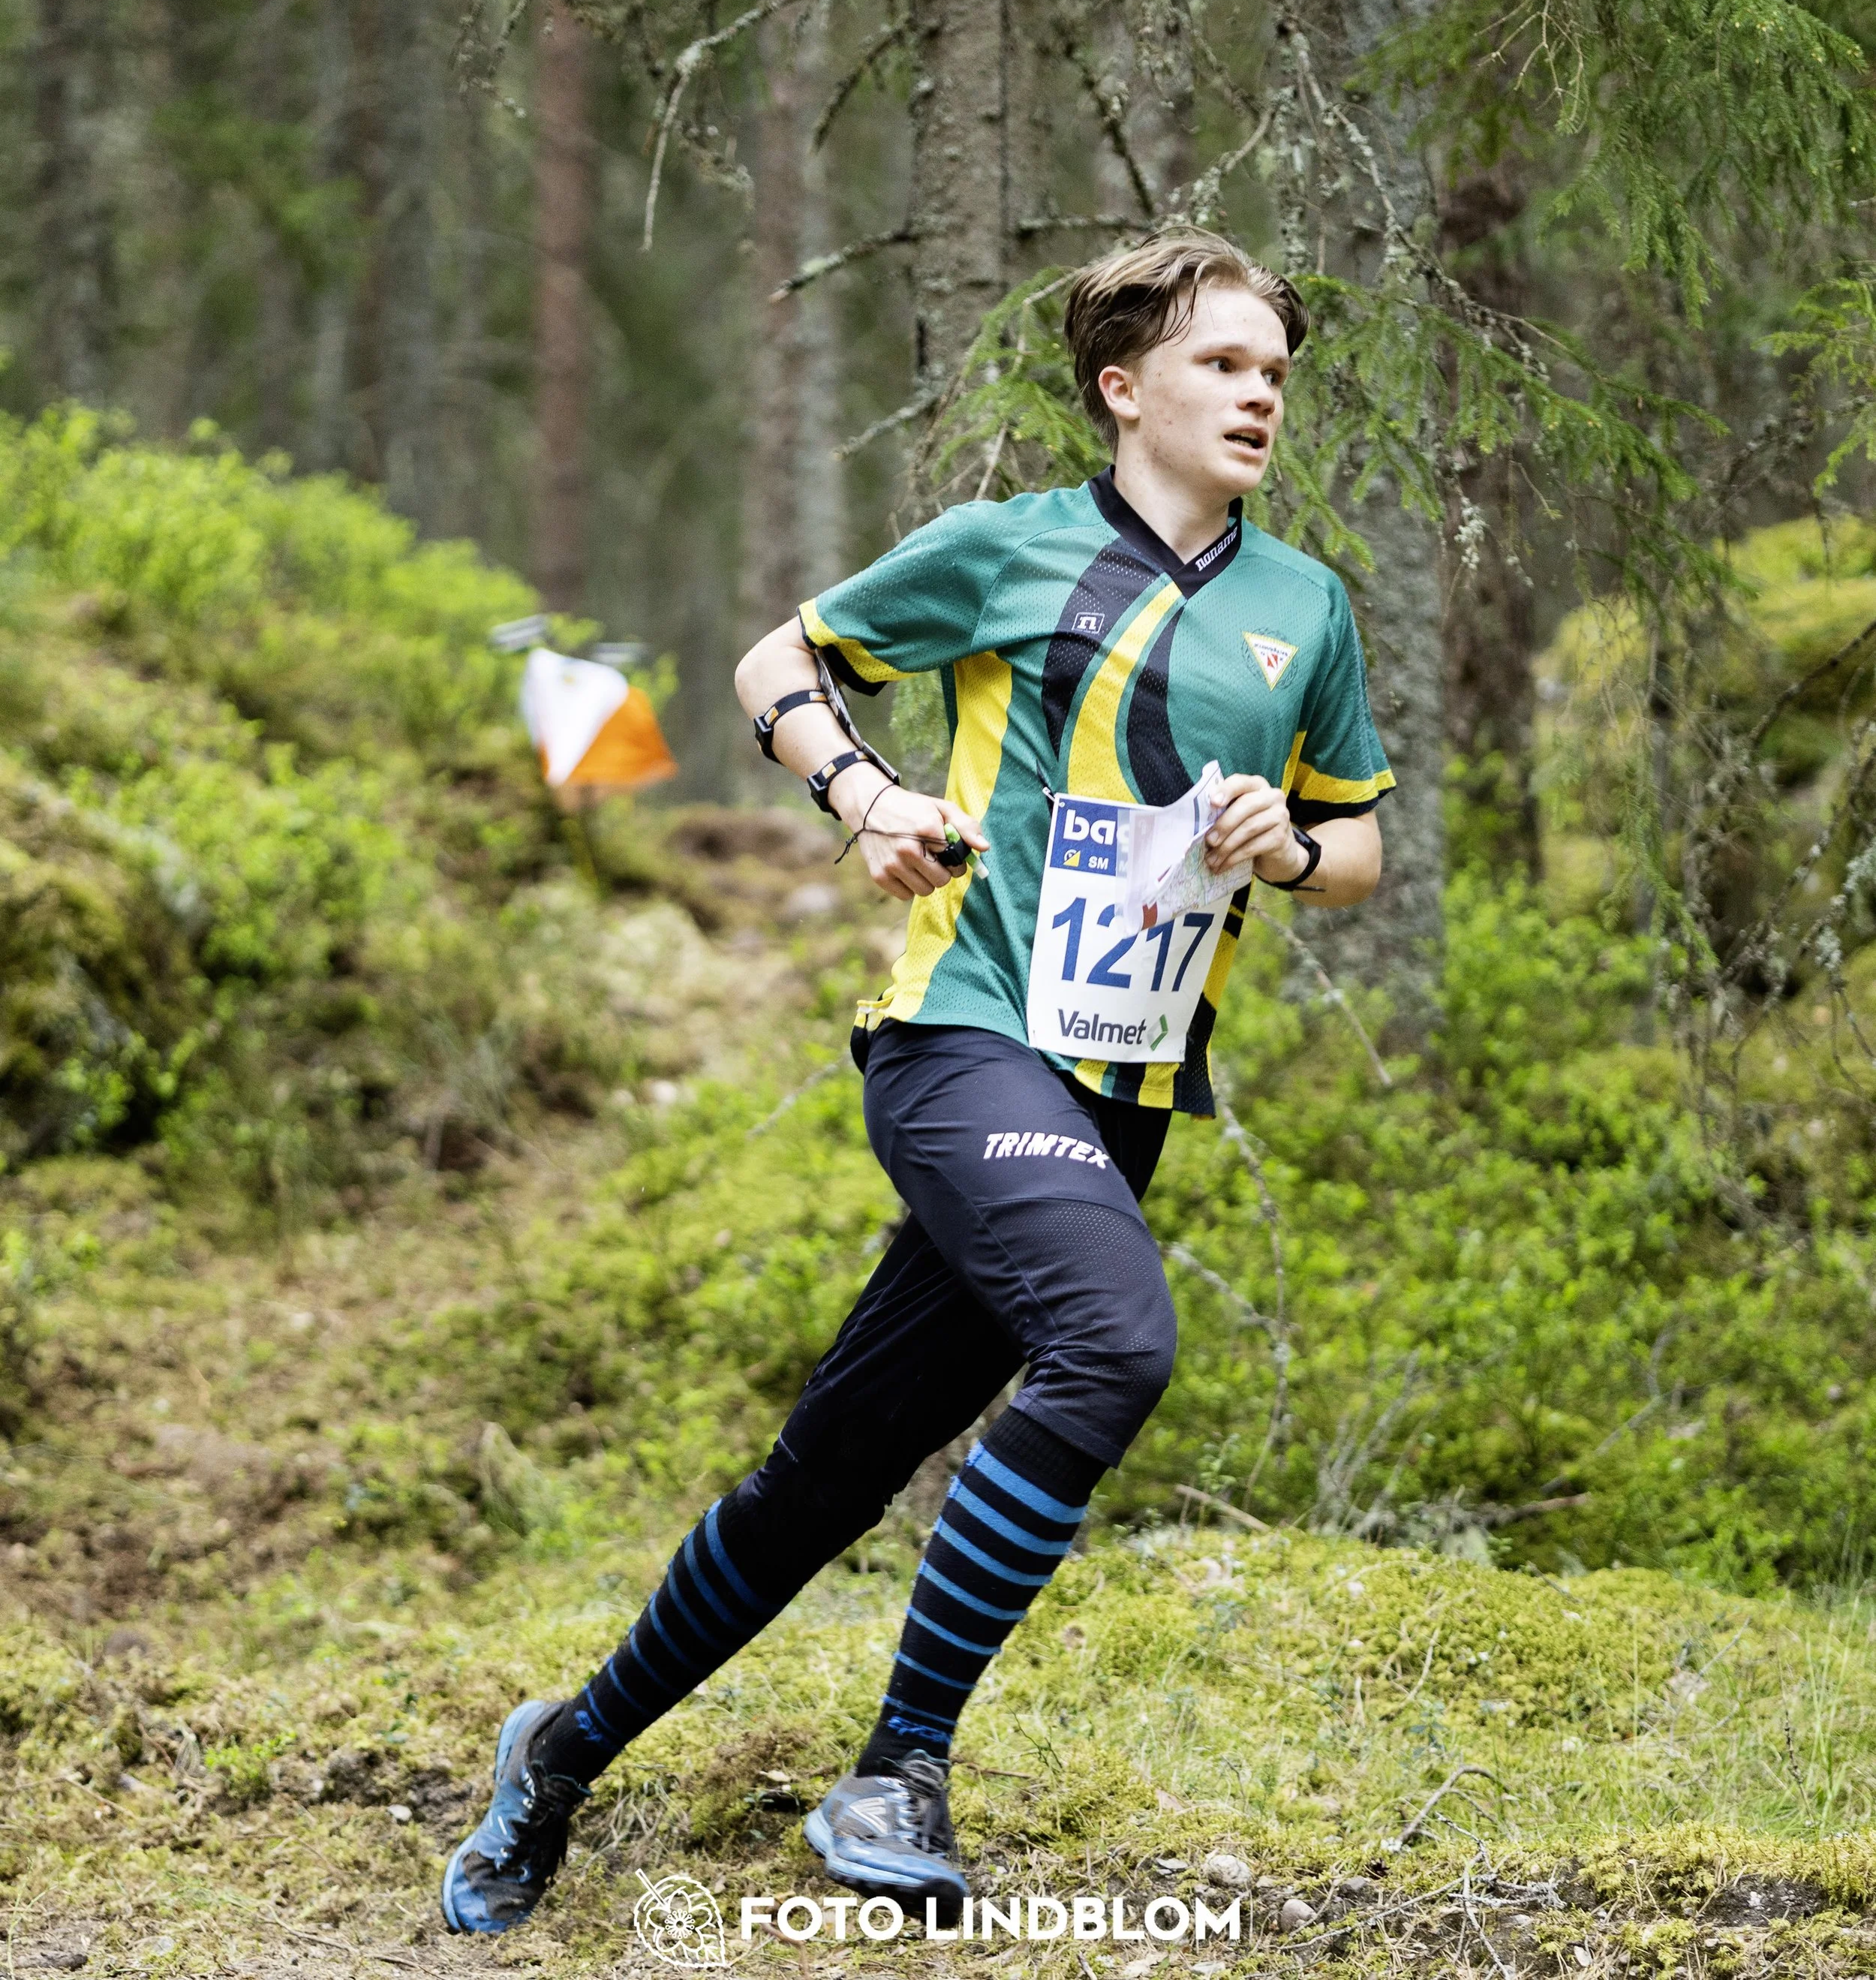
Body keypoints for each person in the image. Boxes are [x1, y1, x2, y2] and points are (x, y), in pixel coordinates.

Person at [440, 228, 1391, 1935]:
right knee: (1114, 1341)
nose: (1258, 394)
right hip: (962, 1038)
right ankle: (899, 1763)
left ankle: (558, 1753)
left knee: (830, 1469)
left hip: (1127, 1091)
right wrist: (868, 799)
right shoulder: (1003, 551)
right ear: (1122, 387)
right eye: (1222, 364)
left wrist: (1291, 842)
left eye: (1273, 372)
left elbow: (1364, 844)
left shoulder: (1300, 604)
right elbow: (772, 666)